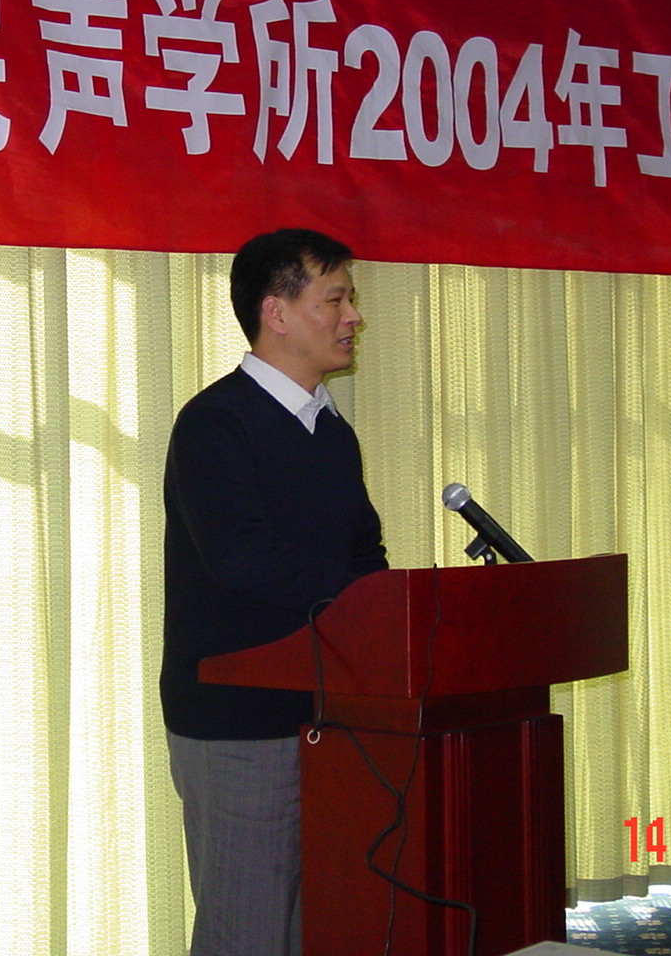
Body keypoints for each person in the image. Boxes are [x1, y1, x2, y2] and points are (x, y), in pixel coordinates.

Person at [161, 228, 388, 956]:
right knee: (247, 932)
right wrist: (364, 602)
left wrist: (389, 609)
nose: (354, 316)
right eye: (336, 299)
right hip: (238, 721)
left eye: (350, 299)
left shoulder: (332, 432)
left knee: (315, 928)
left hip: (328, 715)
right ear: (277, 312)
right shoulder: (215, 423)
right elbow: (244, 561)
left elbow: (364, 552)